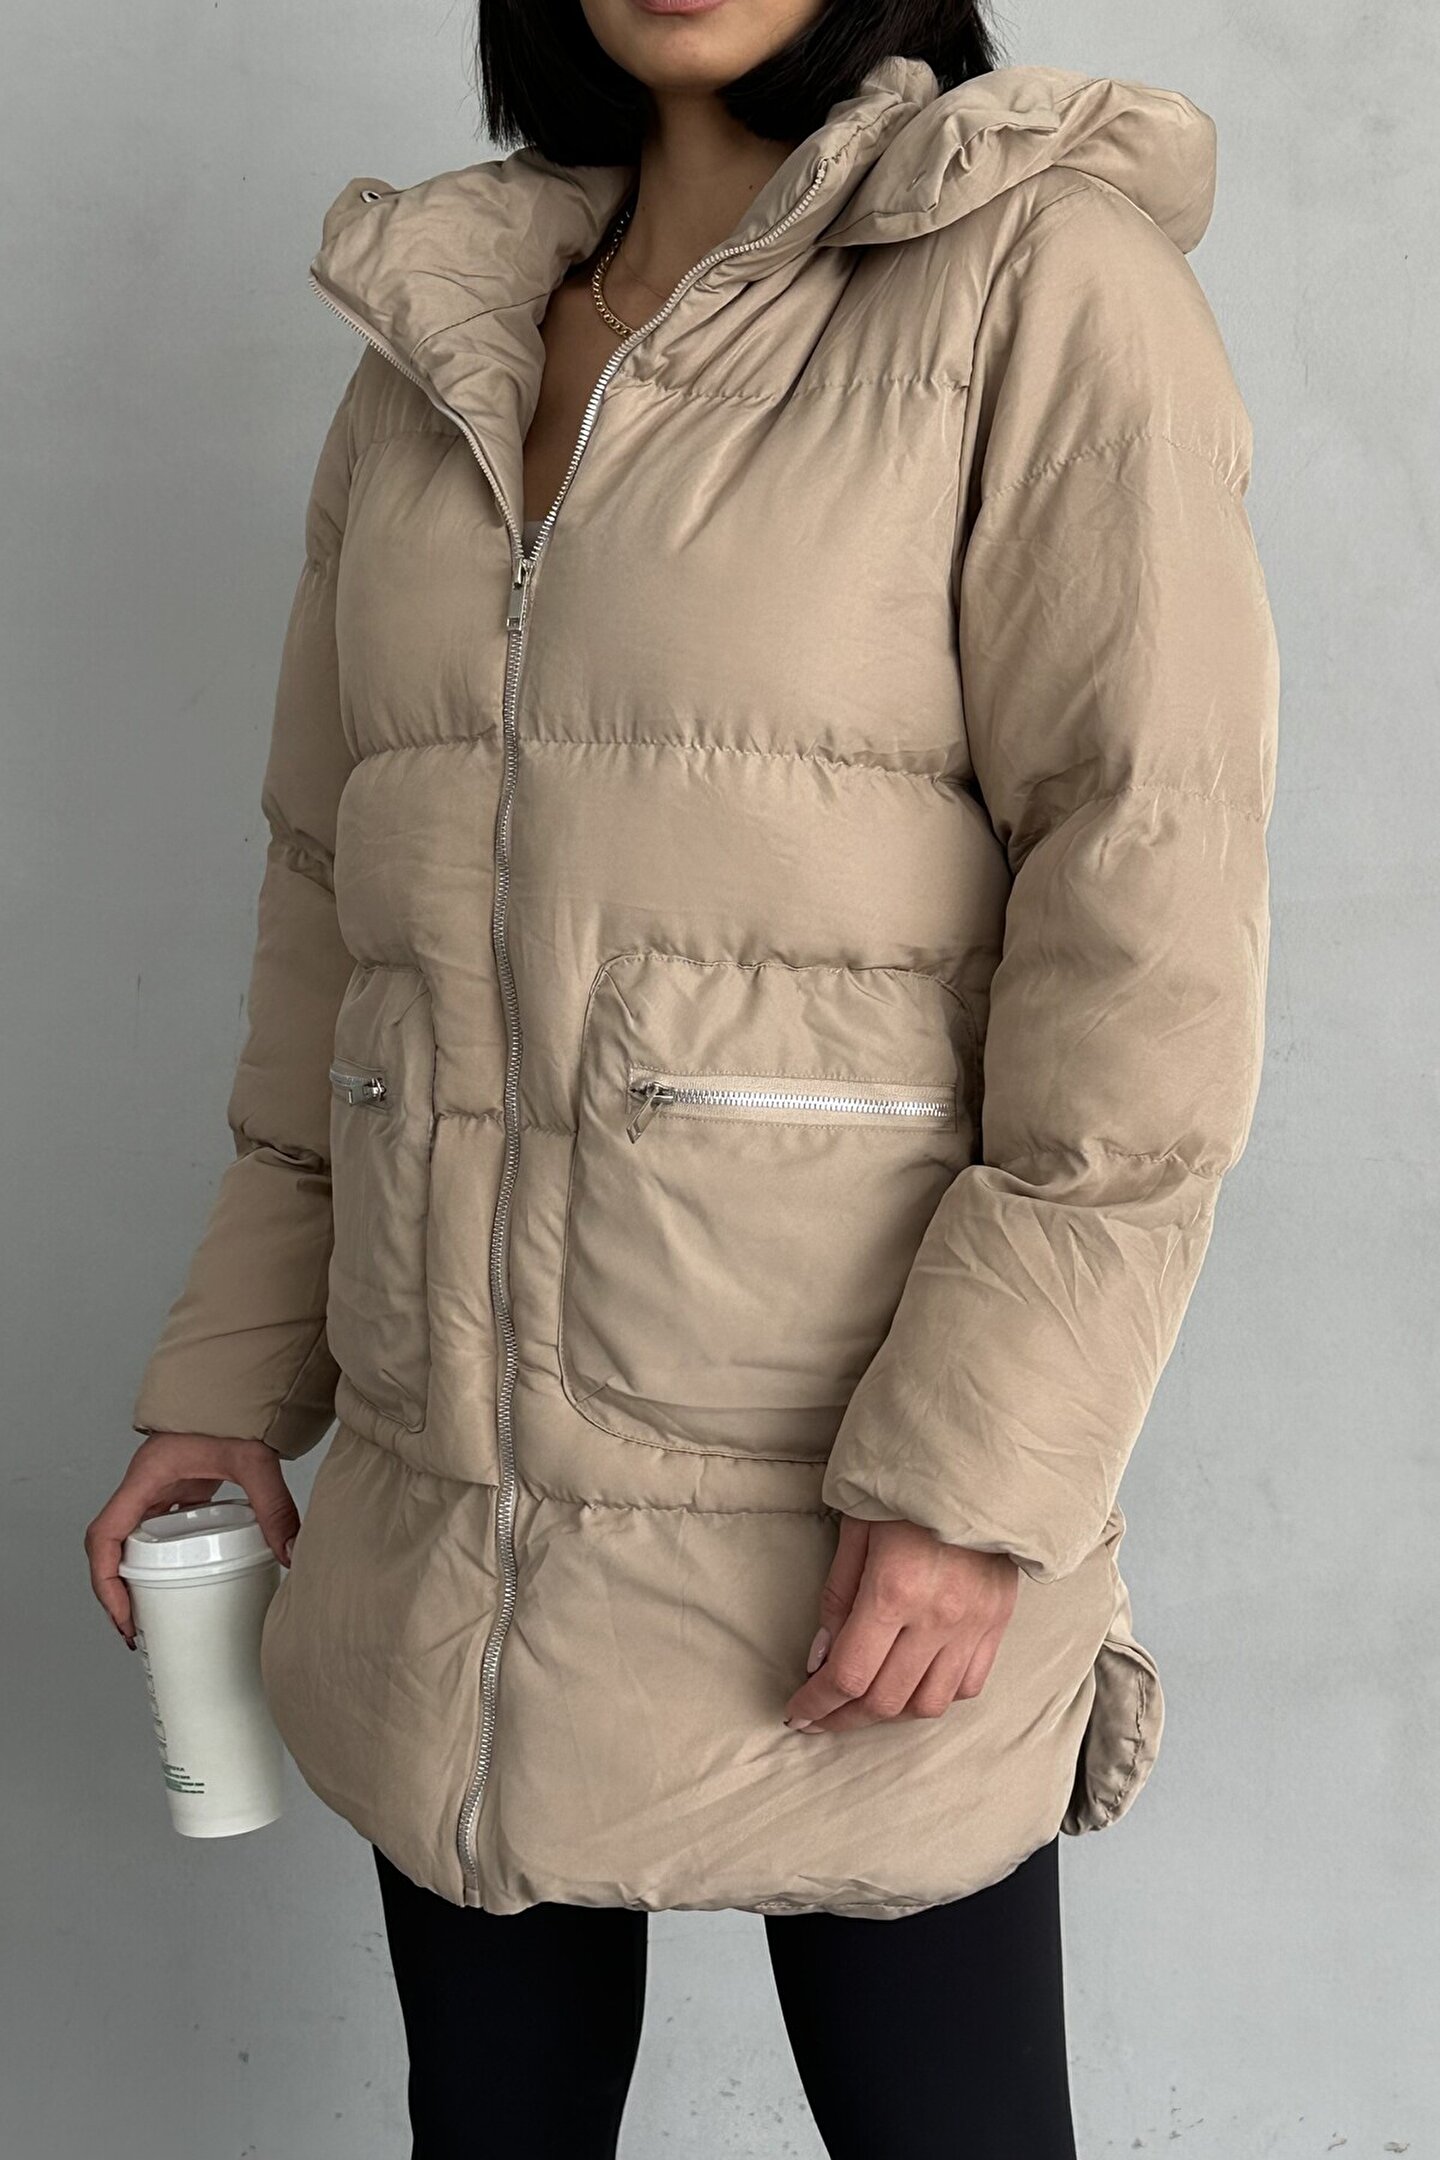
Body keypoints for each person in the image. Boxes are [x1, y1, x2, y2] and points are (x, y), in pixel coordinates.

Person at [85, 1, 1279, 2152]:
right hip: (454, 1494)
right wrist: (228, 1384)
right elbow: (328, 907)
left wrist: (978, 1476)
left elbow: (1149, 917)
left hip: (855, 1499)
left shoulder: (1041, 278)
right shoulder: (438, 330)